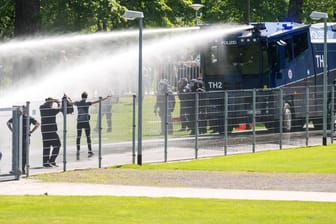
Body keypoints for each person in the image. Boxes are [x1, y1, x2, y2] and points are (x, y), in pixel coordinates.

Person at [67, 92, 111, 160]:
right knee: (88, 137)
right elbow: (97, 101)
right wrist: (105, 98)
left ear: (81, 96)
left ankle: (78, 150)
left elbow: (70, 103)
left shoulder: (77, 103)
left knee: (78, 137)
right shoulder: (87, 103)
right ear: (86, 97)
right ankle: (90, 150)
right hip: (86, 122)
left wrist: (68, 98)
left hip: (79, 122)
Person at [7, 106, 40, 174]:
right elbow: (37, 124)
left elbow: (8, 123)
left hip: (18, 137)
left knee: (17, 153)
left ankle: (17, 169)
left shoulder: (17, 117)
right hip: (24, 137)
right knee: (23, 153)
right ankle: (21, 169)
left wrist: (12, 131)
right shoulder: (28, 117)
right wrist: (31, 132)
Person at [39, 97, 62, 167]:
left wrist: (53, 101)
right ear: (50, 103)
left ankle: (46, 162)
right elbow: (60, 109)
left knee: (46, 146)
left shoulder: (42, 108)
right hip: (51, 131)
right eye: (52, 103)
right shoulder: (51, 110)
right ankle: (51, 160)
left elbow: (43, 105)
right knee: (58, 144)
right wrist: (58, 102)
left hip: (44, 131)